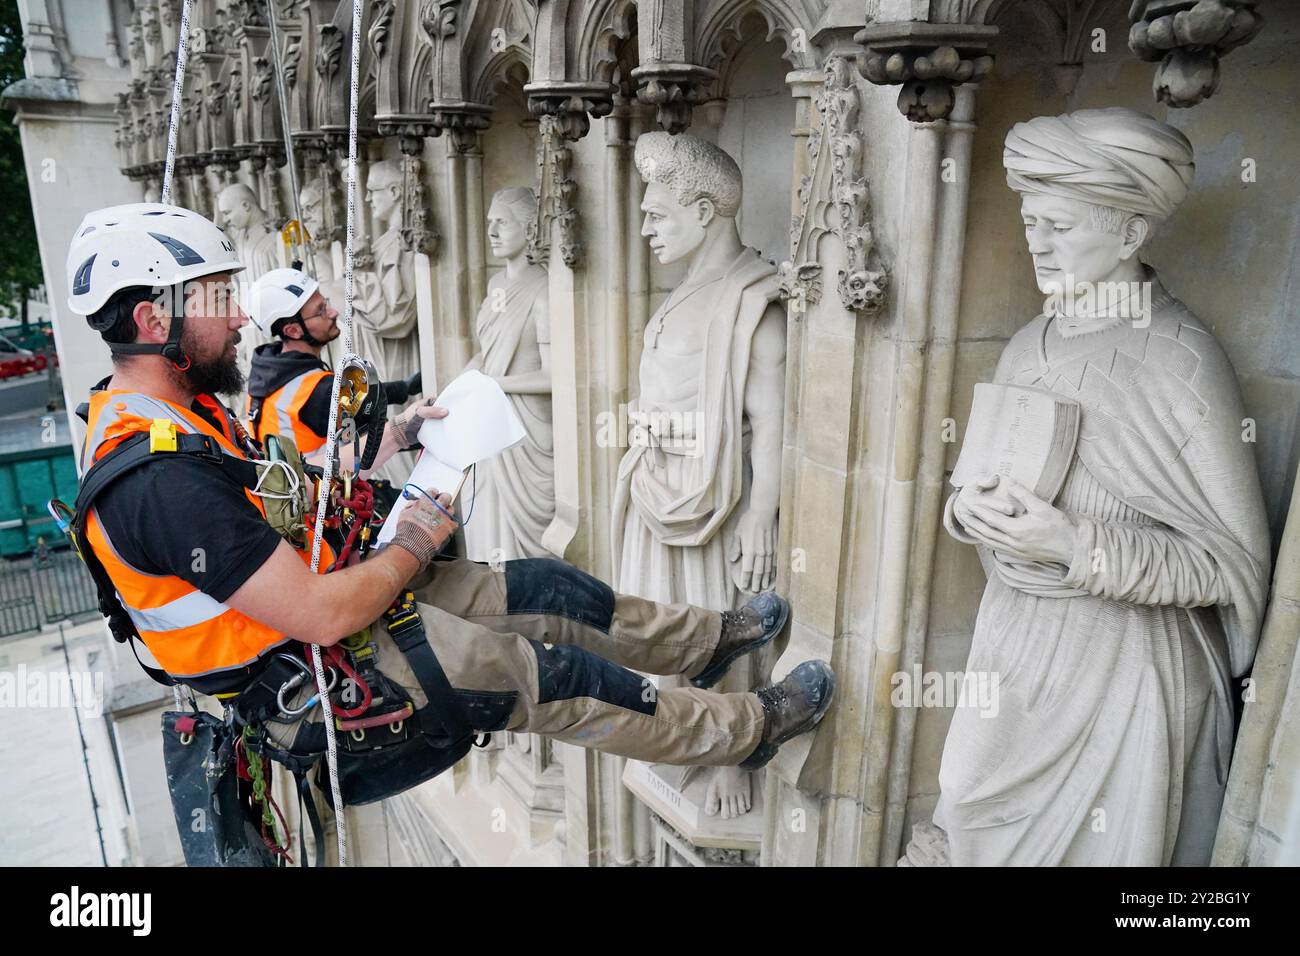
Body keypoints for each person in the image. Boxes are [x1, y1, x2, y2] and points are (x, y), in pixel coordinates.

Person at [64, 202, 835, 786]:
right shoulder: (158, 481)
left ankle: (703, 641)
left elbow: (280, 503)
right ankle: (750, 727)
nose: (238, 318)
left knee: (544, 588)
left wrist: (390, 441)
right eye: (215, 298)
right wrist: (416, 539)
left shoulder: (179, 414)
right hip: (322, 673)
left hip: (340, 602)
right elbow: (322, 612)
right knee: (558, 681)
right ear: (151, 316)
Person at [902, 109, 1271, 866]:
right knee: (966, 796)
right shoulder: (1028, 342)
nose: (1036, 240)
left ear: (1132, 235)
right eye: (1032, 220)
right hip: (1015, 645)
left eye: (1060, 226)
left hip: (1124, 669)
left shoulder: (1180, 360)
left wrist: (1077, 545)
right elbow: (980, 480)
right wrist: (967, 510)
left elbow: (1230, 568)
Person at [243, 266, 422, 466]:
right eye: (321, 311)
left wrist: (405, 388)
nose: (333, 312)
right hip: (322, 493)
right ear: (293, 330)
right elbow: (373, 436)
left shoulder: (266, 371)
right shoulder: (314, 392)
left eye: (325, 303)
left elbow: (355, 394)